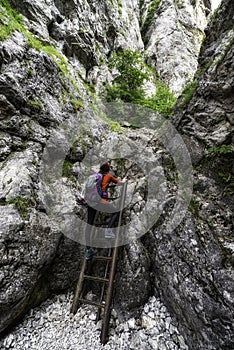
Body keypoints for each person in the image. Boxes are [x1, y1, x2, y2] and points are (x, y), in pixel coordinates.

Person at [85, 162, 126, 260]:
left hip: (90, 203)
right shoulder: (108, 176)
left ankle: (88, 250)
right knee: (116, 211)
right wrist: (124, 180)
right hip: (100, 202)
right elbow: (120, 183)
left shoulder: (94, 176)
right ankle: (108, 229)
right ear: (108, 170)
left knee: (89, 225)